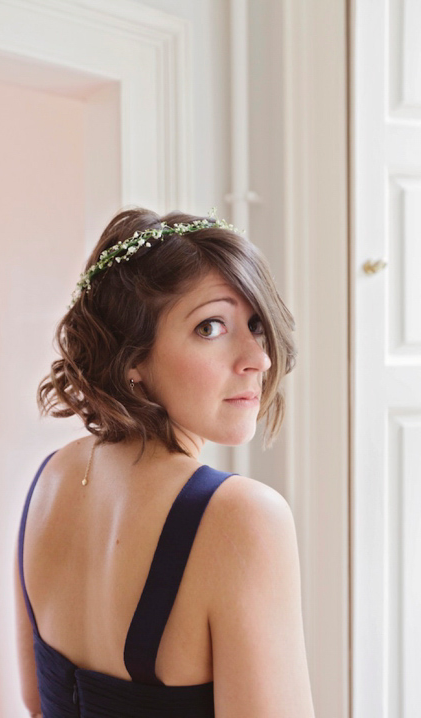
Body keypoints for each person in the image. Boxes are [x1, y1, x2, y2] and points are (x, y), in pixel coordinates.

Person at [17, 209, 315, 717]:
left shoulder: (51, 477)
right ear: (132, 357)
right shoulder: (242, 517)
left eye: (256, 325)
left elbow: (35, 702)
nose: (258, 359)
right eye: (211, 326)